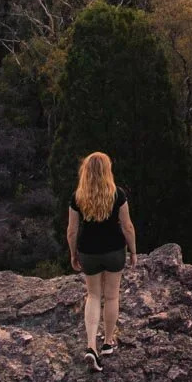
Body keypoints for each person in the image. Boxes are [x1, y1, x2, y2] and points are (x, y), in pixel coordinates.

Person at [66, 150, 137, 370]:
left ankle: (91, 346)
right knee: (112, 296)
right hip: (114, 250)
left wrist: (73, 253)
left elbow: (72, 230)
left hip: (88, 251)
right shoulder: (117, 194)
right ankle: (107, 342)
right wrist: (133, 251)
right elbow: (127, 226)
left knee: (93, 296)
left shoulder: (78, 197)